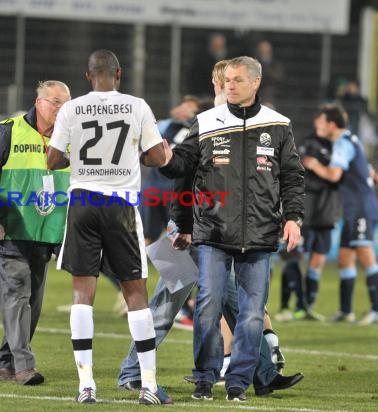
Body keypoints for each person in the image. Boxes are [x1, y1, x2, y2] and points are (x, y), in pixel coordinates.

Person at [118, 59, 303, 399]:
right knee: (183, 302)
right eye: (223, 81)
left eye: (233, 80)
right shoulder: (206, 122)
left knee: (241, 310)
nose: (227, 87)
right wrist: (181, 219)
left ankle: (254, 376)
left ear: (255, 82)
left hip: (249, 233)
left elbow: (291, 177)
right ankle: (152, 372)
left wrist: (293, 217)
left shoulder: (273, 124)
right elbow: (182, 174)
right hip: (205, 231)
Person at [47, 49, 172, 405]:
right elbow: (159, 158)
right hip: (119, 204)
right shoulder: (137, 105)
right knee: (135, 292)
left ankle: (86, 385)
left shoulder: (72, 108)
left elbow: (53, 159)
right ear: (118, 74)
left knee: (82, 292)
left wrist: (83, 158)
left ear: (88, 77)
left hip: (83, 201)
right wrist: (137, 156)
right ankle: (148, 385)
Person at [0, 80, 71, 385]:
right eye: (55, 102)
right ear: (39, 103)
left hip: (45, 233)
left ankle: (4, 364)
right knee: (17, 292)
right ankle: (25, 366)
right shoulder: (6, 132)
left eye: (67, 103)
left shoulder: (72, 139)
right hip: (6, 231)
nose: (62, 109)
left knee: (32, 305)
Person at [303, 103, 378, 325]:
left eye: (321, 121)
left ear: (331, 124)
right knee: (345, 259)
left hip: (360, 208)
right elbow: (370, 172)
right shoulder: (352, 140)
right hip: (355, 208)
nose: (318, 124)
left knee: (366, 256)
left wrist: (314, 165)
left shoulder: (342, 144)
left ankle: (376, 308)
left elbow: (334, 175)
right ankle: (346, 311)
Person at [276, 130, 341, 321]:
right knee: (291, 257)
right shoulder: (307, 143)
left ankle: (304, 307)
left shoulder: (338, 149)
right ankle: (286, 306)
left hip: (325, 215)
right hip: (302, 214)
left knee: (316, 261)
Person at [140, 95, 200, 245]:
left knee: (177, 232)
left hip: (175, 189)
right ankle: (141, 264)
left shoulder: (199, 129)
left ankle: (179, 265)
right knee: (147, 232)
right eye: (184, 106)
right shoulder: (167, 125)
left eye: (191, 109)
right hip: (153, 186)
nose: (185, 111)